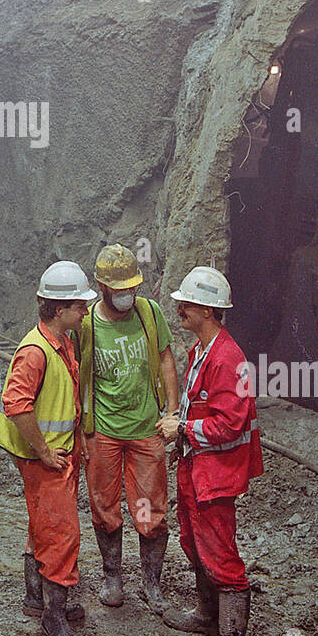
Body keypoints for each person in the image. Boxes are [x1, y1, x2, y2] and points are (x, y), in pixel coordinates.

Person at [158, 266, 263, 636]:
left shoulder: (228, 358)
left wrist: (181, 429)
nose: (180, 309)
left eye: (186, 303)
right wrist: (183, 440)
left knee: (221, 553)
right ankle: (207, 616)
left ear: (206, 309)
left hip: (216, 473)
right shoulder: (200, 350)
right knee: (192, 539)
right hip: (196, 463)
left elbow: (229, 424)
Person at [0, 261, 97, 636]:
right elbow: (16, 404)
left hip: (58, 452)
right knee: (62, 533)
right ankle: (54, 617)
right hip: (44, 458)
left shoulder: (61, 341)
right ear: (59, 309)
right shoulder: (35, 351)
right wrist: (44, 451)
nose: (85, 311)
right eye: (79, 306)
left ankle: (36, 600)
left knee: (43, 526)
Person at [78, 244, 178, 613]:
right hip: (102, 429)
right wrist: (79, 430)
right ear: (102, 287)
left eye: (132, 288)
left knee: (151, 509)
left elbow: (166, 358)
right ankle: (113, 580)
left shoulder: (149, 314)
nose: (127, 296)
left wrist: (172, 410)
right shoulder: (86, 323)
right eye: (120, 290)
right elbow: (77, 377)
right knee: (104, 506)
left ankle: (152, 584)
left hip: (146, 428)